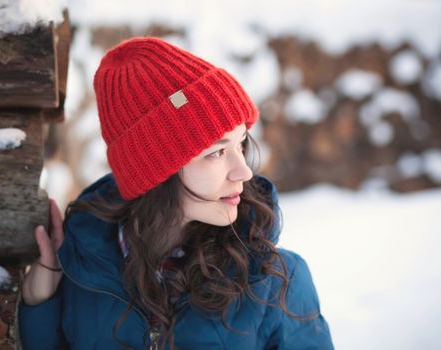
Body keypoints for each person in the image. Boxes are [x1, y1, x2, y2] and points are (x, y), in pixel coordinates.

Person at [18, 37, 333, 350]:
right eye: (216, 153)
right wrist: (40, 303)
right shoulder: (82, 270)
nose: (244, 171)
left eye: (240, 145)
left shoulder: (276, 280)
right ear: (154, 172)